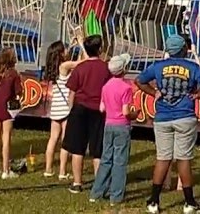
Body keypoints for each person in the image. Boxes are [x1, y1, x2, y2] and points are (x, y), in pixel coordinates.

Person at [136, 33, 200, 214]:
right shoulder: (192, 67)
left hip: (163, 116)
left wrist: (153, 92)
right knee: (184, 158)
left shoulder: (158, 66)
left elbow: (139, 80)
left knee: (163, 158)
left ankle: (154, 201)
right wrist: (197, 95)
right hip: (185, 116)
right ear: (183, 49)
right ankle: (189, 202)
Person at [64, 34, 109, 194]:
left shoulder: (80, 68)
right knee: (98, 148)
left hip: (80, 109)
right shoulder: (105, 68)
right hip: (99, 110)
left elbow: (72, 92)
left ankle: (77, 182)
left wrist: (71, 111)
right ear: (100, 49)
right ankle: (99, 182)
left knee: (77, 148)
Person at [91, 53, 136, 205]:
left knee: (106, 159)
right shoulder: (126, 87)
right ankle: (116, 196)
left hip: (108, 125)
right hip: (122, 125)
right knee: (120, 161)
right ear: (124, 69)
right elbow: (126, 112)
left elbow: (102, 108)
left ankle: (96, 192)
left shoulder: (106, 86)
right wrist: (136, 113)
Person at [42, 38, 82, 179]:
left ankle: (48, 169)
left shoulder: (54, 67)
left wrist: (72, 45)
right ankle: (62, 171)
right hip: (65, 109)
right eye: (64, 50)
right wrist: (82, 44)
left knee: (53, 139)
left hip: (55, 109)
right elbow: (80, 63)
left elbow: (69, 59)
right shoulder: (64, 66)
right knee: (65, 141)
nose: (67, 51)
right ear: (60, 54)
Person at [0, 46, 23, 179]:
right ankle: (6, 170)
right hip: (8, 108)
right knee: (6, 138)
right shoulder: (13, 74)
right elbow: (18, 91)